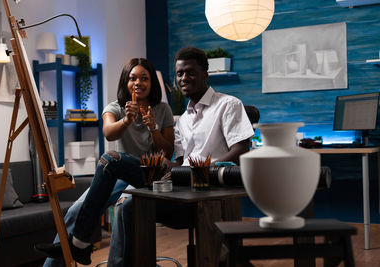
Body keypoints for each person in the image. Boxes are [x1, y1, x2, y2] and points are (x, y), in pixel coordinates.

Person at [107, 46, 254, 266]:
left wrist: (200, 171)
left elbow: (242, 149)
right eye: (179, 74)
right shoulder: (183, 119)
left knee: (118, 173)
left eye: (190, 72)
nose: (184, 78)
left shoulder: (228, 105)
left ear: (205, 74)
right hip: (181, 194)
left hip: (211, 195)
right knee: (128, 200)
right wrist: (160, 163)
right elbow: (178, 161)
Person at [35, 57, 174, 266]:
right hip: (119, 172)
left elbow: (168, 151)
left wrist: (153, 128)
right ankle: (59, 259)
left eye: (144, 78)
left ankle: (92, 251)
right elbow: (108, 133)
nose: (138, 83)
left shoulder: (162, 109)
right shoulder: (115, 107)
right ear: (125, 83)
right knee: (75, 210)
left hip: (147, 173)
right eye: (132, 78)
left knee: (123, 204)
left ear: (152, 82)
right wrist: (126, 120)